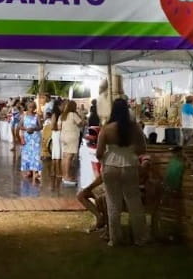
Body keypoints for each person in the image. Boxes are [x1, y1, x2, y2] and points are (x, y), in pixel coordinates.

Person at [96, 98, 147, 246]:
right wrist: (130, 151)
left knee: (113, 203)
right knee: (134, 202)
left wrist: (106, 156)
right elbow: (142, 149)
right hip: (130, 164)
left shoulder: (107, 129)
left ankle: (115, 238)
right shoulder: (135, 128)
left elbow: (99, 152)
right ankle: (140, 237)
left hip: (110, 165)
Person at [60, 100, 84, 186]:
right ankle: (67, 176)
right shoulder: (73, 115)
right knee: (69, 157)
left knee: (65, 156)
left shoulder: (63, 115)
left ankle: (64, 175)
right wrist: (82, 116)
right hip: (72, 138)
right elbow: (81, 124)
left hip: (64, 137)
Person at [20, 101, 43, 180]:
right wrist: (26, 129)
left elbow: (41, 126)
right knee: (27, 154)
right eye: (30, 107)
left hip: (35, 138)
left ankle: (35, 172)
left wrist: (34, 128)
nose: (31, 108)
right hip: (27, 138)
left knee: (36, 154)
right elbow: (20, 126)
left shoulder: (37, 116)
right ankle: (29, 171)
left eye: (33, 107)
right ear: (27, 107)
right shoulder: (24, 116)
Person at [50, 99, 63, 190]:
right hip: (57, 134)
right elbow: (52, 126)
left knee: (56, 153)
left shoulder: (58, 114)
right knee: (57, 153)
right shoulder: (55, 114)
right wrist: (59, 128)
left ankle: (54, 171)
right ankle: (58, 171)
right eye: (62, 105)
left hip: (57, 134)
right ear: (58, 106)